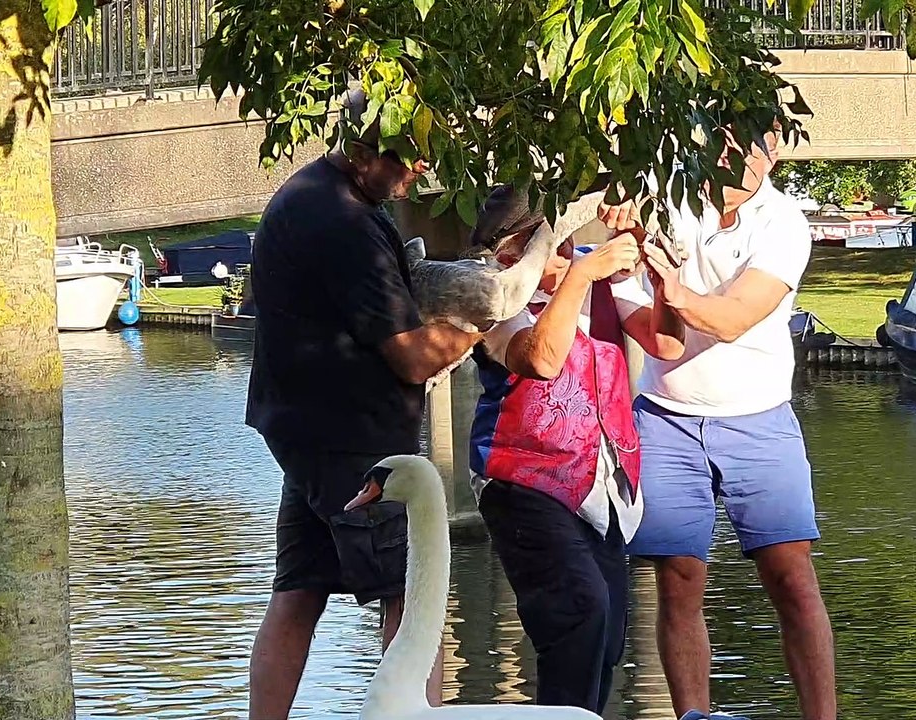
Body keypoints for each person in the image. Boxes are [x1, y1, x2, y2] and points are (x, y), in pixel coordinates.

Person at [243, 89, 482, 719]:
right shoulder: (341, 222)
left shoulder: (319, 194)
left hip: (307, 433)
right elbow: (411, 355)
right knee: (412, 593)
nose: (420, 169)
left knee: (299, 588)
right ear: (361, 149)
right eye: (408, 156)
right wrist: (487, 318)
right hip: (353, 442)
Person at [599, 128, 837, 720]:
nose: (741, 160)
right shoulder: (659, 208)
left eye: (756, 147)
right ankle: (693, 717)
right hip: (667, 419)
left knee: (791, 575)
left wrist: (673, 288)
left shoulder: (783, 222)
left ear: (776, 151)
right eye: (728, 145)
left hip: (759, 419)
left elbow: (733, 319)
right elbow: (661, 343)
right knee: (678, 577)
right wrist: (634, 248)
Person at [467, 186, 686, 715]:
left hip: (601, 488)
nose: (568, 255)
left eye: (567, 246)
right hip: (523, 484)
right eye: (552, 246)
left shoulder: (597, 285)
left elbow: (667, 343)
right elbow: (540, 358)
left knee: (606, 635)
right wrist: (582, 277)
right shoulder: (493, 300)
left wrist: (665, 285)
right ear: (510, 254)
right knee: (578, 611)